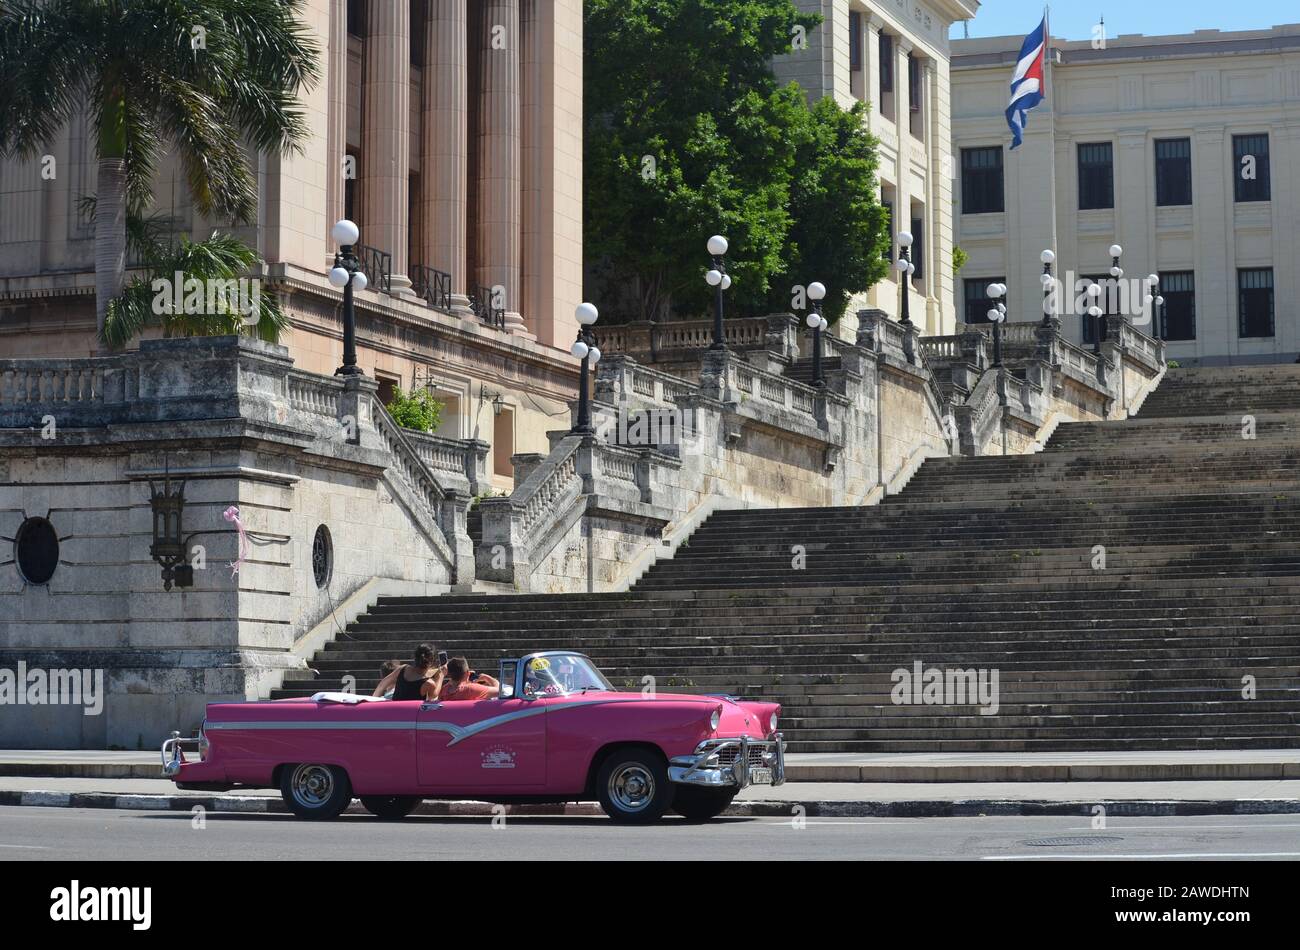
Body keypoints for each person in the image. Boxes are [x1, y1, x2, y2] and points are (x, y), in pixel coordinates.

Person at [373, 644, 444, 701]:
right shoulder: (429, 683)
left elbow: (382, 685)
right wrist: (441, 676)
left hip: (394, 713)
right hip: (411, 717)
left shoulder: (402, 669)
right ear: (431, 662)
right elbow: (433, 696)